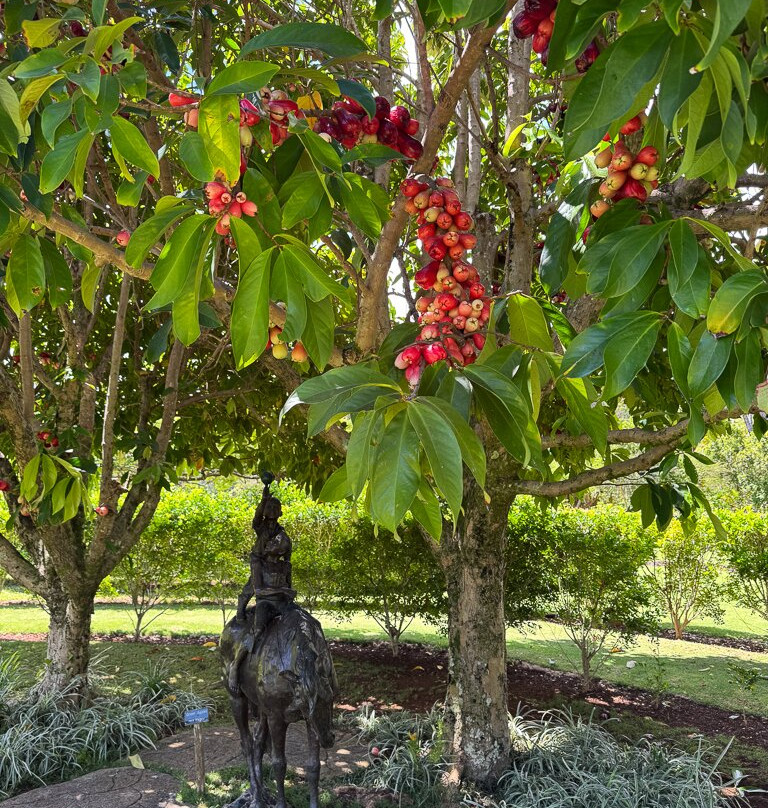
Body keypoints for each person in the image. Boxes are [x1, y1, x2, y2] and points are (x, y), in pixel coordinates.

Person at [228, 483, 295, 692]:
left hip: (280, 599)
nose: (273, 516)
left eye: (276, 513)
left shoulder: (281, 534)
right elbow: (259, 590)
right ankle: (236, 666)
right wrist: (264, 498)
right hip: (259, 562)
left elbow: (289, 582)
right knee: (251, 590)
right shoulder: (262, 527)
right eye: (270, 512)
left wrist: (287, 589)